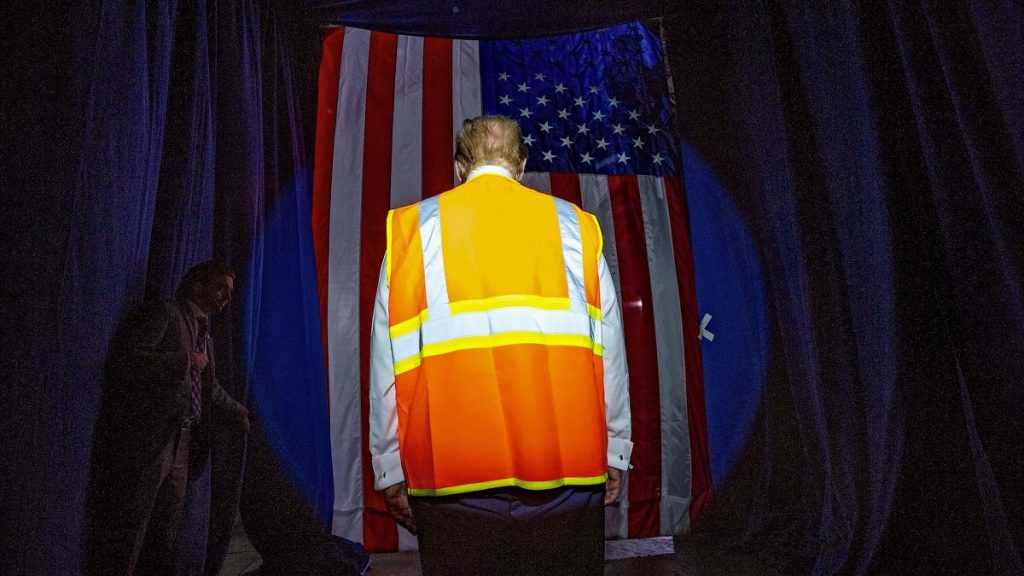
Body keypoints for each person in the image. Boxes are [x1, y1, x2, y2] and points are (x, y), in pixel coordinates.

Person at [369, 115, 633, 575]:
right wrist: (616, 448)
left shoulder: (410, 232)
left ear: (458, 167)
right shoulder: (577, 227)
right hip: (566, 478)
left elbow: (384, 366)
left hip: (451, 484)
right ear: (522, 165)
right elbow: (610, 348)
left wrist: (389, 468)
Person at [84, 260, 250, 575]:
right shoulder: (165, 313)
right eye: (221, 288)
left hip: (184, 445)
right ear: (199, 283)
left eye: (230, 292)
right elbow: (127, 359)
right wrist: (182, 361)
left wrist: (239, 412)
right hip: (152, 441)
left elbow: (208, 387)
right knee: (129, 532)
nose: (226, 299)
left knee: (163, 538)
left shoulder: (206, 336)